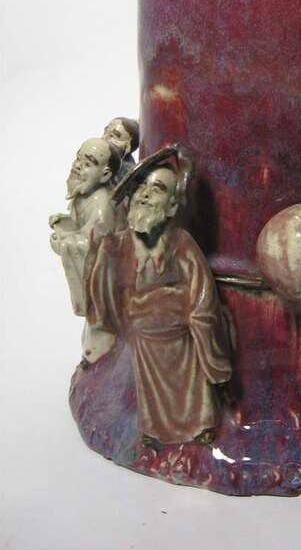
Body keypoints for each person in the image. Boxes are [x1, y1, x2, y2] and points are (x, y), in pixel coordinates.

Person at [85, 150, 232, 448]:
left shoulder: (181, 243)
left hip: (181, 336)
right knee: (150, 387)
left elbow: (201, 290)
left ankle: (200, 424)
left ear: (172, 206)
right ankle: (154, 431)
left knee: (190, 385)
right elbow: (105, 291)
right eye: (141, 187)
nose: (145, 195)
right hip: (144, 336)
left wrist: (199, 324)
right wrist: (103, 253)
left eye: (158, 189)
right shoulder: (119, 245)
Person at [49, 138, 121, 365]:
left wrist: (65, 240)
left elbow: (90, 242)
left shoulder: (101, 205)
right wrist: (65, 224)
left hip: (104, 286)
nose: (78, 165)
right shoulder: (83, 196)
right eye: (78, 158)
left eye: (88, 163)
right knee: (90, 331)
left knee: (98, 331)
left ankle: (99, 360)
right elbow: (80, 226)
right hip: (94, 284)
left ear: (105, 174)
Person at [102, 117, 139, 182]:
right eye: (106, 131)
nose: (104, 138)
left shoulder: (126, 173)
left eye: (114, 135)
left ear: (128, 147)